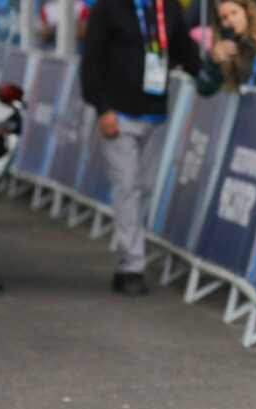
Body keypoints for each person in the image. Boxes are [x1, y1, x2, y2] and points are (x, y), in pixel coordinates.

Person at [81, 0, 201, 295]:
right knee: (128, 187)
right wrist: (102, 107)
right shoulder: (109, 7)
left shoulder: (167, 7)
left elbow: (186, 51)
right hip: (118, 115)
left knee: (145, 187)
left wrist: (216, 70)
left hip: (155, 115)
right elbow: (91, 60)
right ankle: (131, 266)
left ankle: (131, 254)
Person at [196, 0, 256, 95]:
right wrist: (213, 62)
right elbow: (204, 89)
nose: (230, 20)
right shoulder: (224, 49)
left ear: (246, 11)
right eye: (224, 18)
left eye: (234, 13)